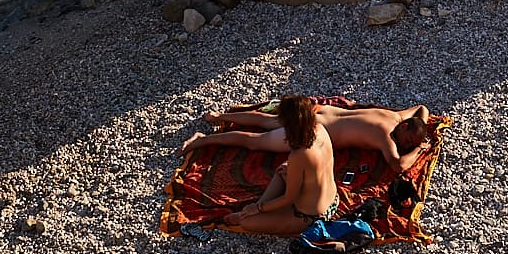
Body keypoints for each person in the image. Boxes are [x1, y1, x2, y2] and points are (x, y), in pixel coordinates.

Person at [212, 94, 340, 238]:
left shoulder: (300, 155)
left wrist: (259, 208)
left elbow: (289, 198)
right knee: (283, 168)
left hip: (311, 217)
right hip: (333, 199)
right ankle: (255, 208)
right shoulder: (321, 129)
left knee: (247, 221)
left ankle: (250, 211)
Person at [185, 100, 431, 172]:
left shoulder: (397, 116)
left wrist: (419, 134)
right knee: (254, 142)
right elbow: (398, 165)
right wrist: (419, 150)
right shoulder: (387, 135)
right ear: (406, 127)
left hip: (322, 114)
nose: (403, 145)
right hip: (316, 131)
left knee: (266, 120)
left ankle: (218, 118)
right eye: (407, 141)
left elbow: (422, 109)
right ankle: (202, 140)